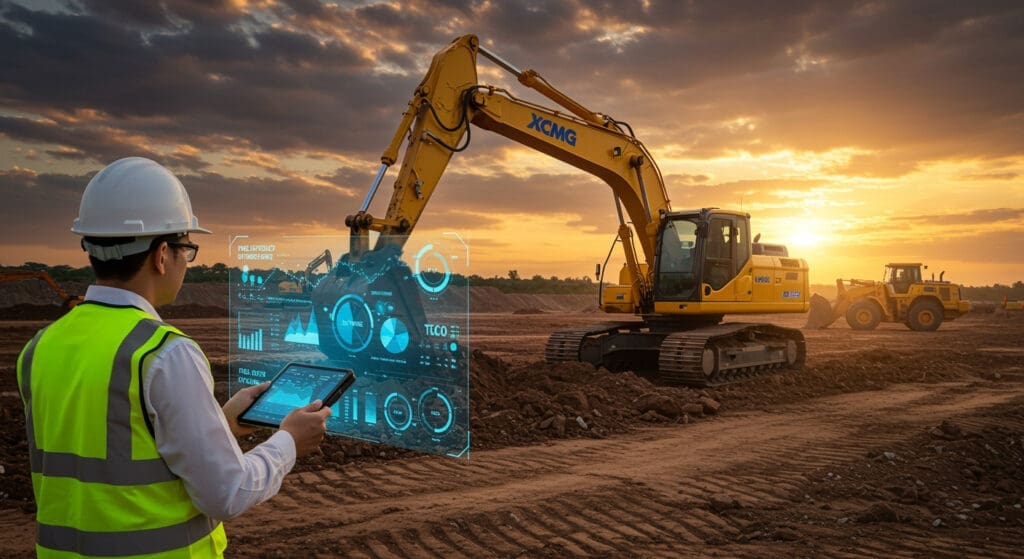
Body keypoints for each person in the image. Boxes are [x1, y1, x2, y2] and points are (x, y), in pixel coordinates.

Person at [16, 157, 332, 557]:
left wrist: (224, 423)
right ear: (162, 254)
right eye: (188, 248)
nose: (187, 260)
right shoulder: (163, 354)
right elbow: (227, 494)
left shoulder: (40, 346)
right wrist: (289, 441)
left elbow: (115, 448)